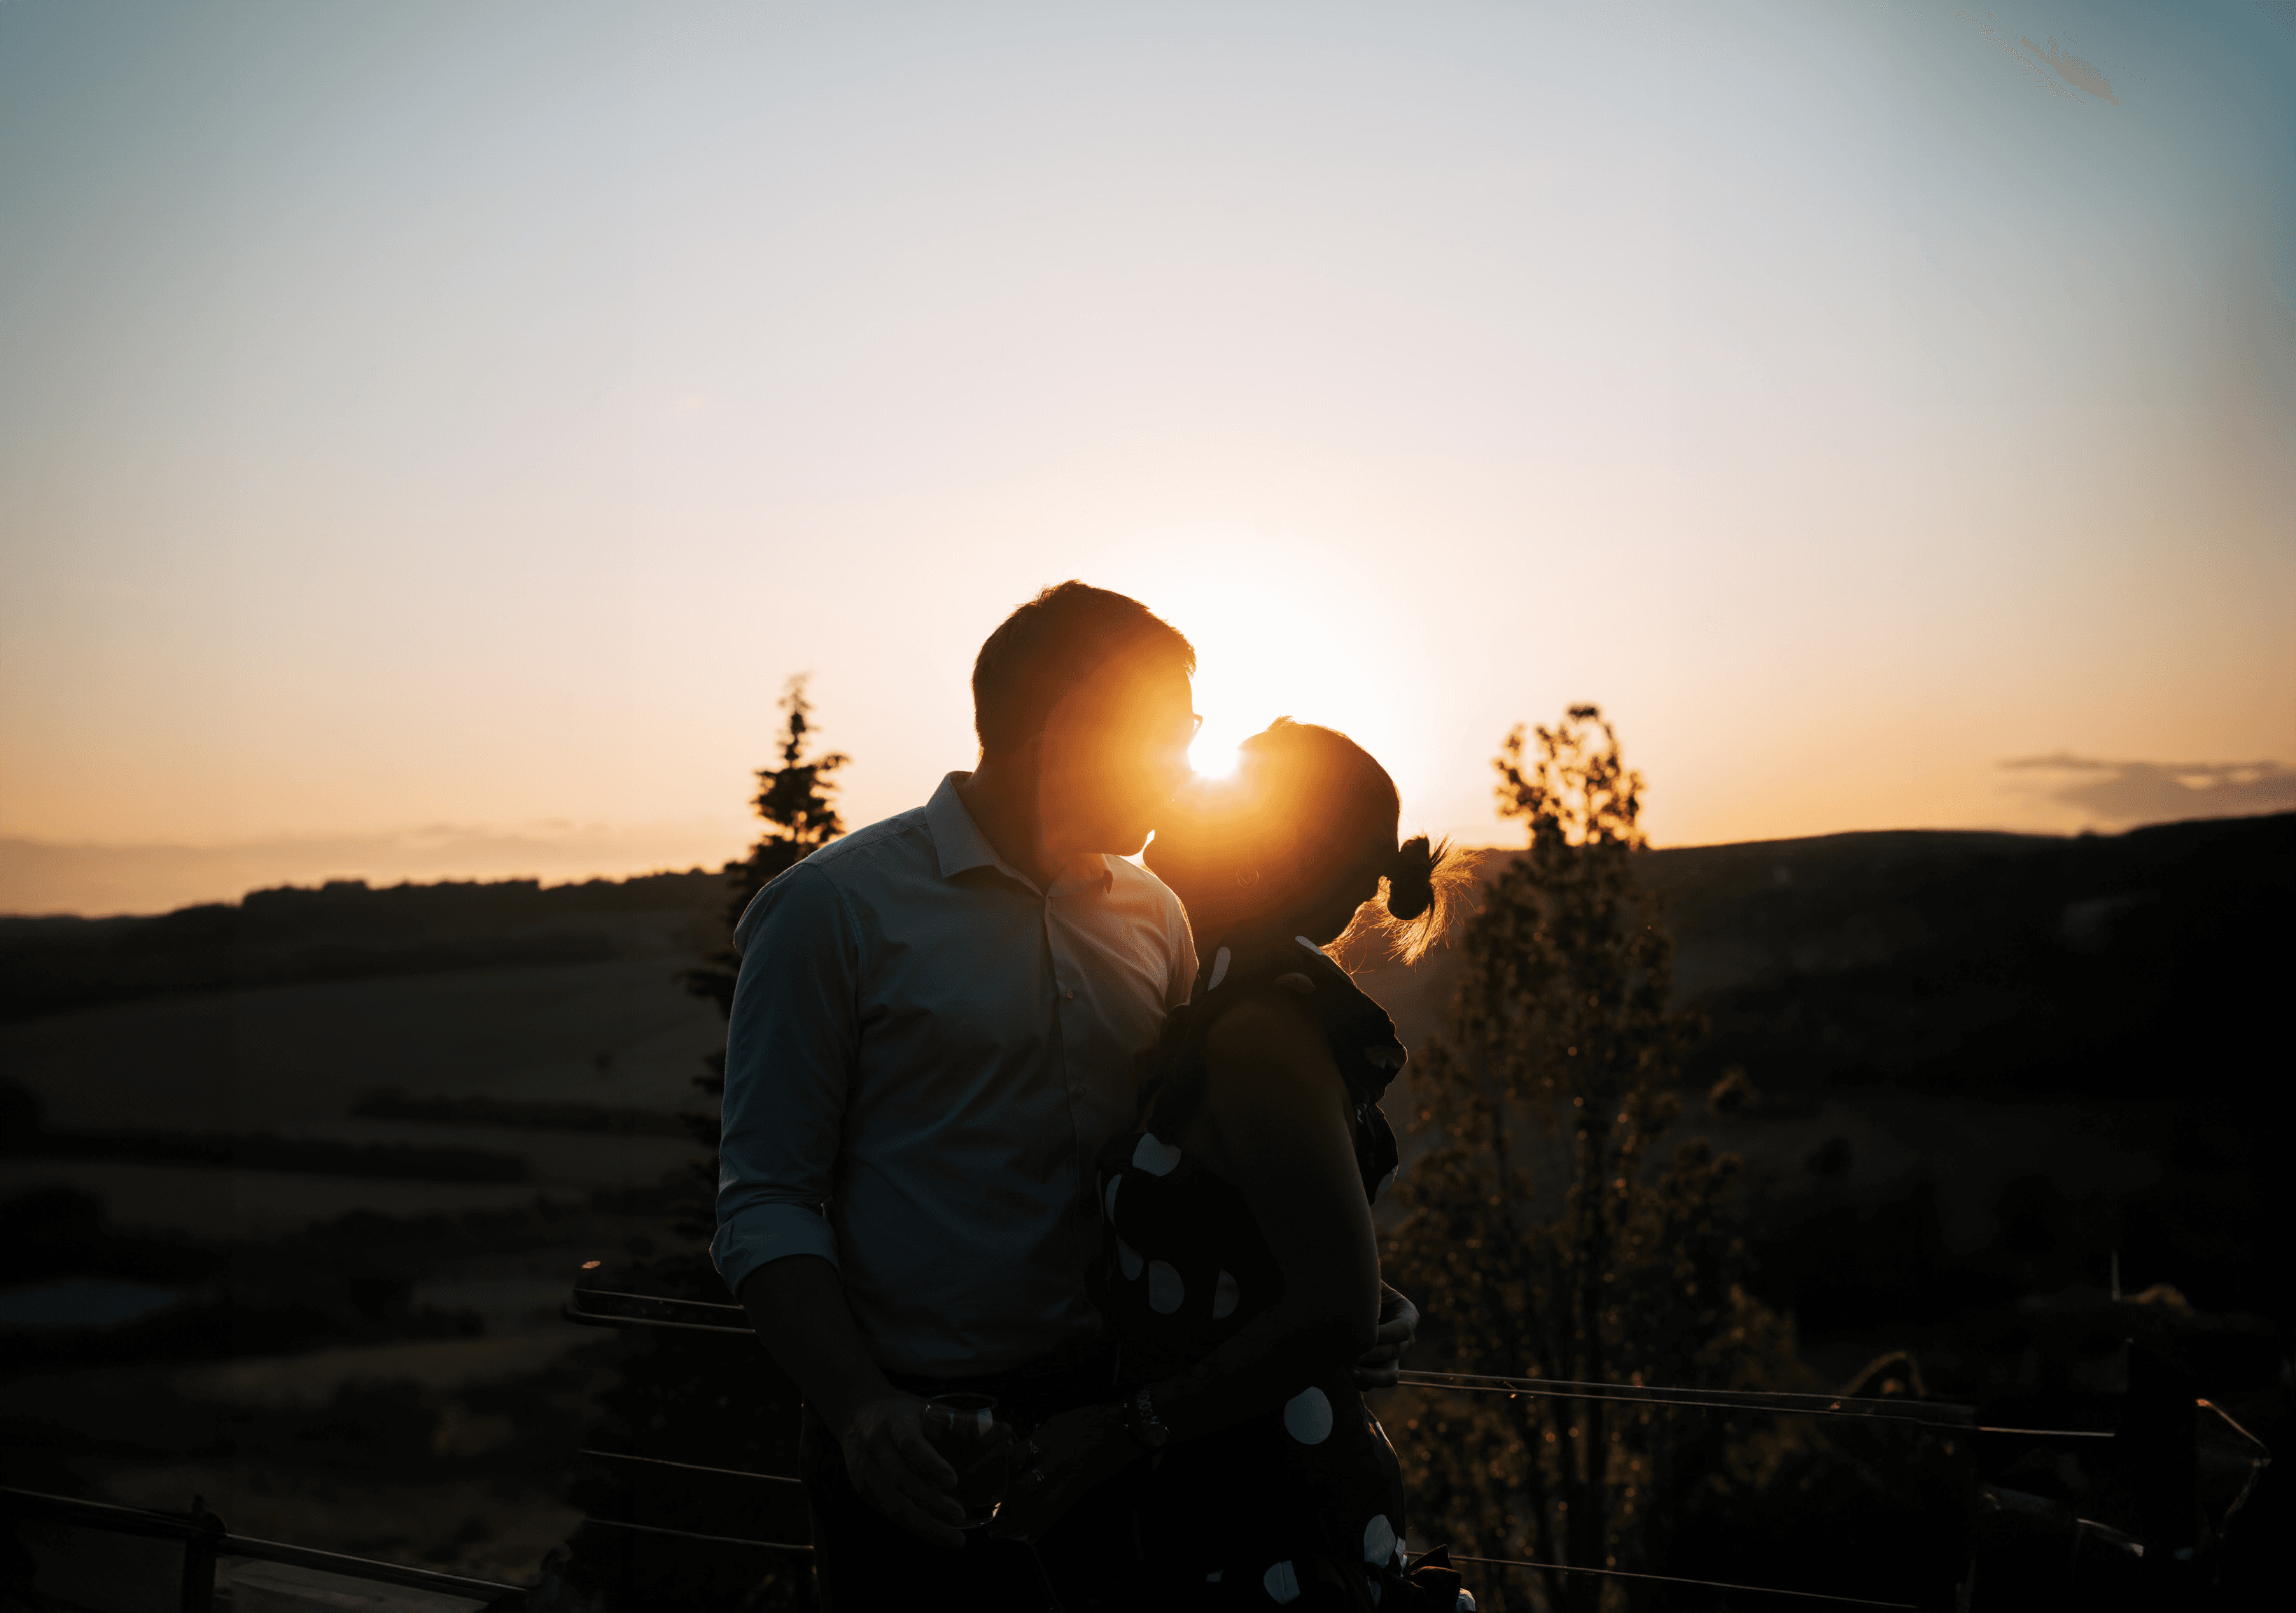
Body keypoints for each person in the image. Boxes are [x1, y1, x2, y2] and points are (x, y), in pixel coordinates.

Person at [713, 586, 1420, 1609]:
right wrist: (863, 1414)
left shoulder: (1155, 914)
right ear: (1071, 728)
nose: (1184, 768)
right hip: (920, 1454)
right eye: (1169, 734)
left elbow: (1196, 1161)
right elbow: (764, 1199)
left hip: (1121, 1442)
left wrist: (1335, 1289)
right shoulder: (831, 910)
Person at [990, 718, 1471, 1609]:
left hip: (1264, 1510)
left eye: (1195, 811)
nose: (1157, 831)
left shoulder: (1258, 1031)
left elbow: (1332, 1310)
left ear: (1256, 857)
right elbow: (1277, 1246)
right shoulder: (1224, 1005)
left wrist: (1116, 1433)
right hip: (1223, 1488)